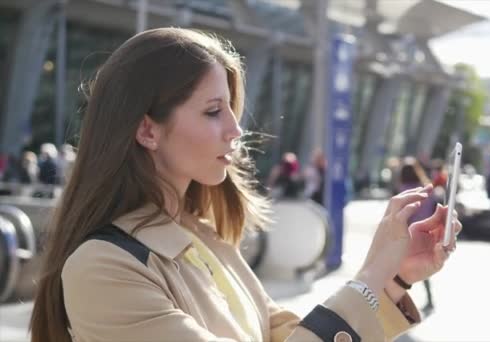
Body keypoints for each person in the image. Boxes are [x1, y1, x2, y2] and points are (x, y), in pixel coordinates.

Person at [29, 28, 461, 342]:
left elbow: (286, 335)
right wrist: (369, 278)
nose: (236, 130)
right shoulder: (103, 267)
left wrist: (394, 276)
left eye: (232, 110)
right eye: (214, 110)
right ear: (147, 130)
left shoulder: (200, 234)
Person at [397, 156, 440, 313]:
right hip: (427, 233)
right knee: (423, 267)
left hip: (407, 235)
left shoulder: (404, 192)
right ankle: (429, 299)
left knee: (401, 271)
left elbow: (400, 216)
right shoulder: (426, 189)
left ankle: (400, 303)